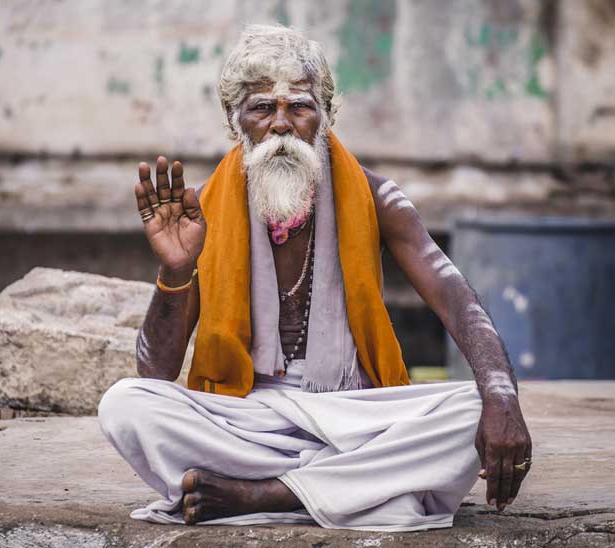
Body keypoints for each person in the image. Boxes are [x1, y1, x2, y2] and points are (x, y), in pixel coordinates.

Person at [98, 24, 532, 532]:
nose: (281, 125)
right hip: (245, 419)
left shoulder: (376, 198)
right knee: (125, 405)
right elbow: (156, 374)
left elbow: (458, 301)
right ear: (234, 122)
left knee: (470, 410)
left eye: (298, 107)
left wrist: (502, 397)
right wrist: (176, 270)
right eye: (262, 108)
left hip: (354, 414)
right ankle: (345, 489)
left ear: (325, 117)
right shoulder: (203, 212)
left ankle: (267, 495)